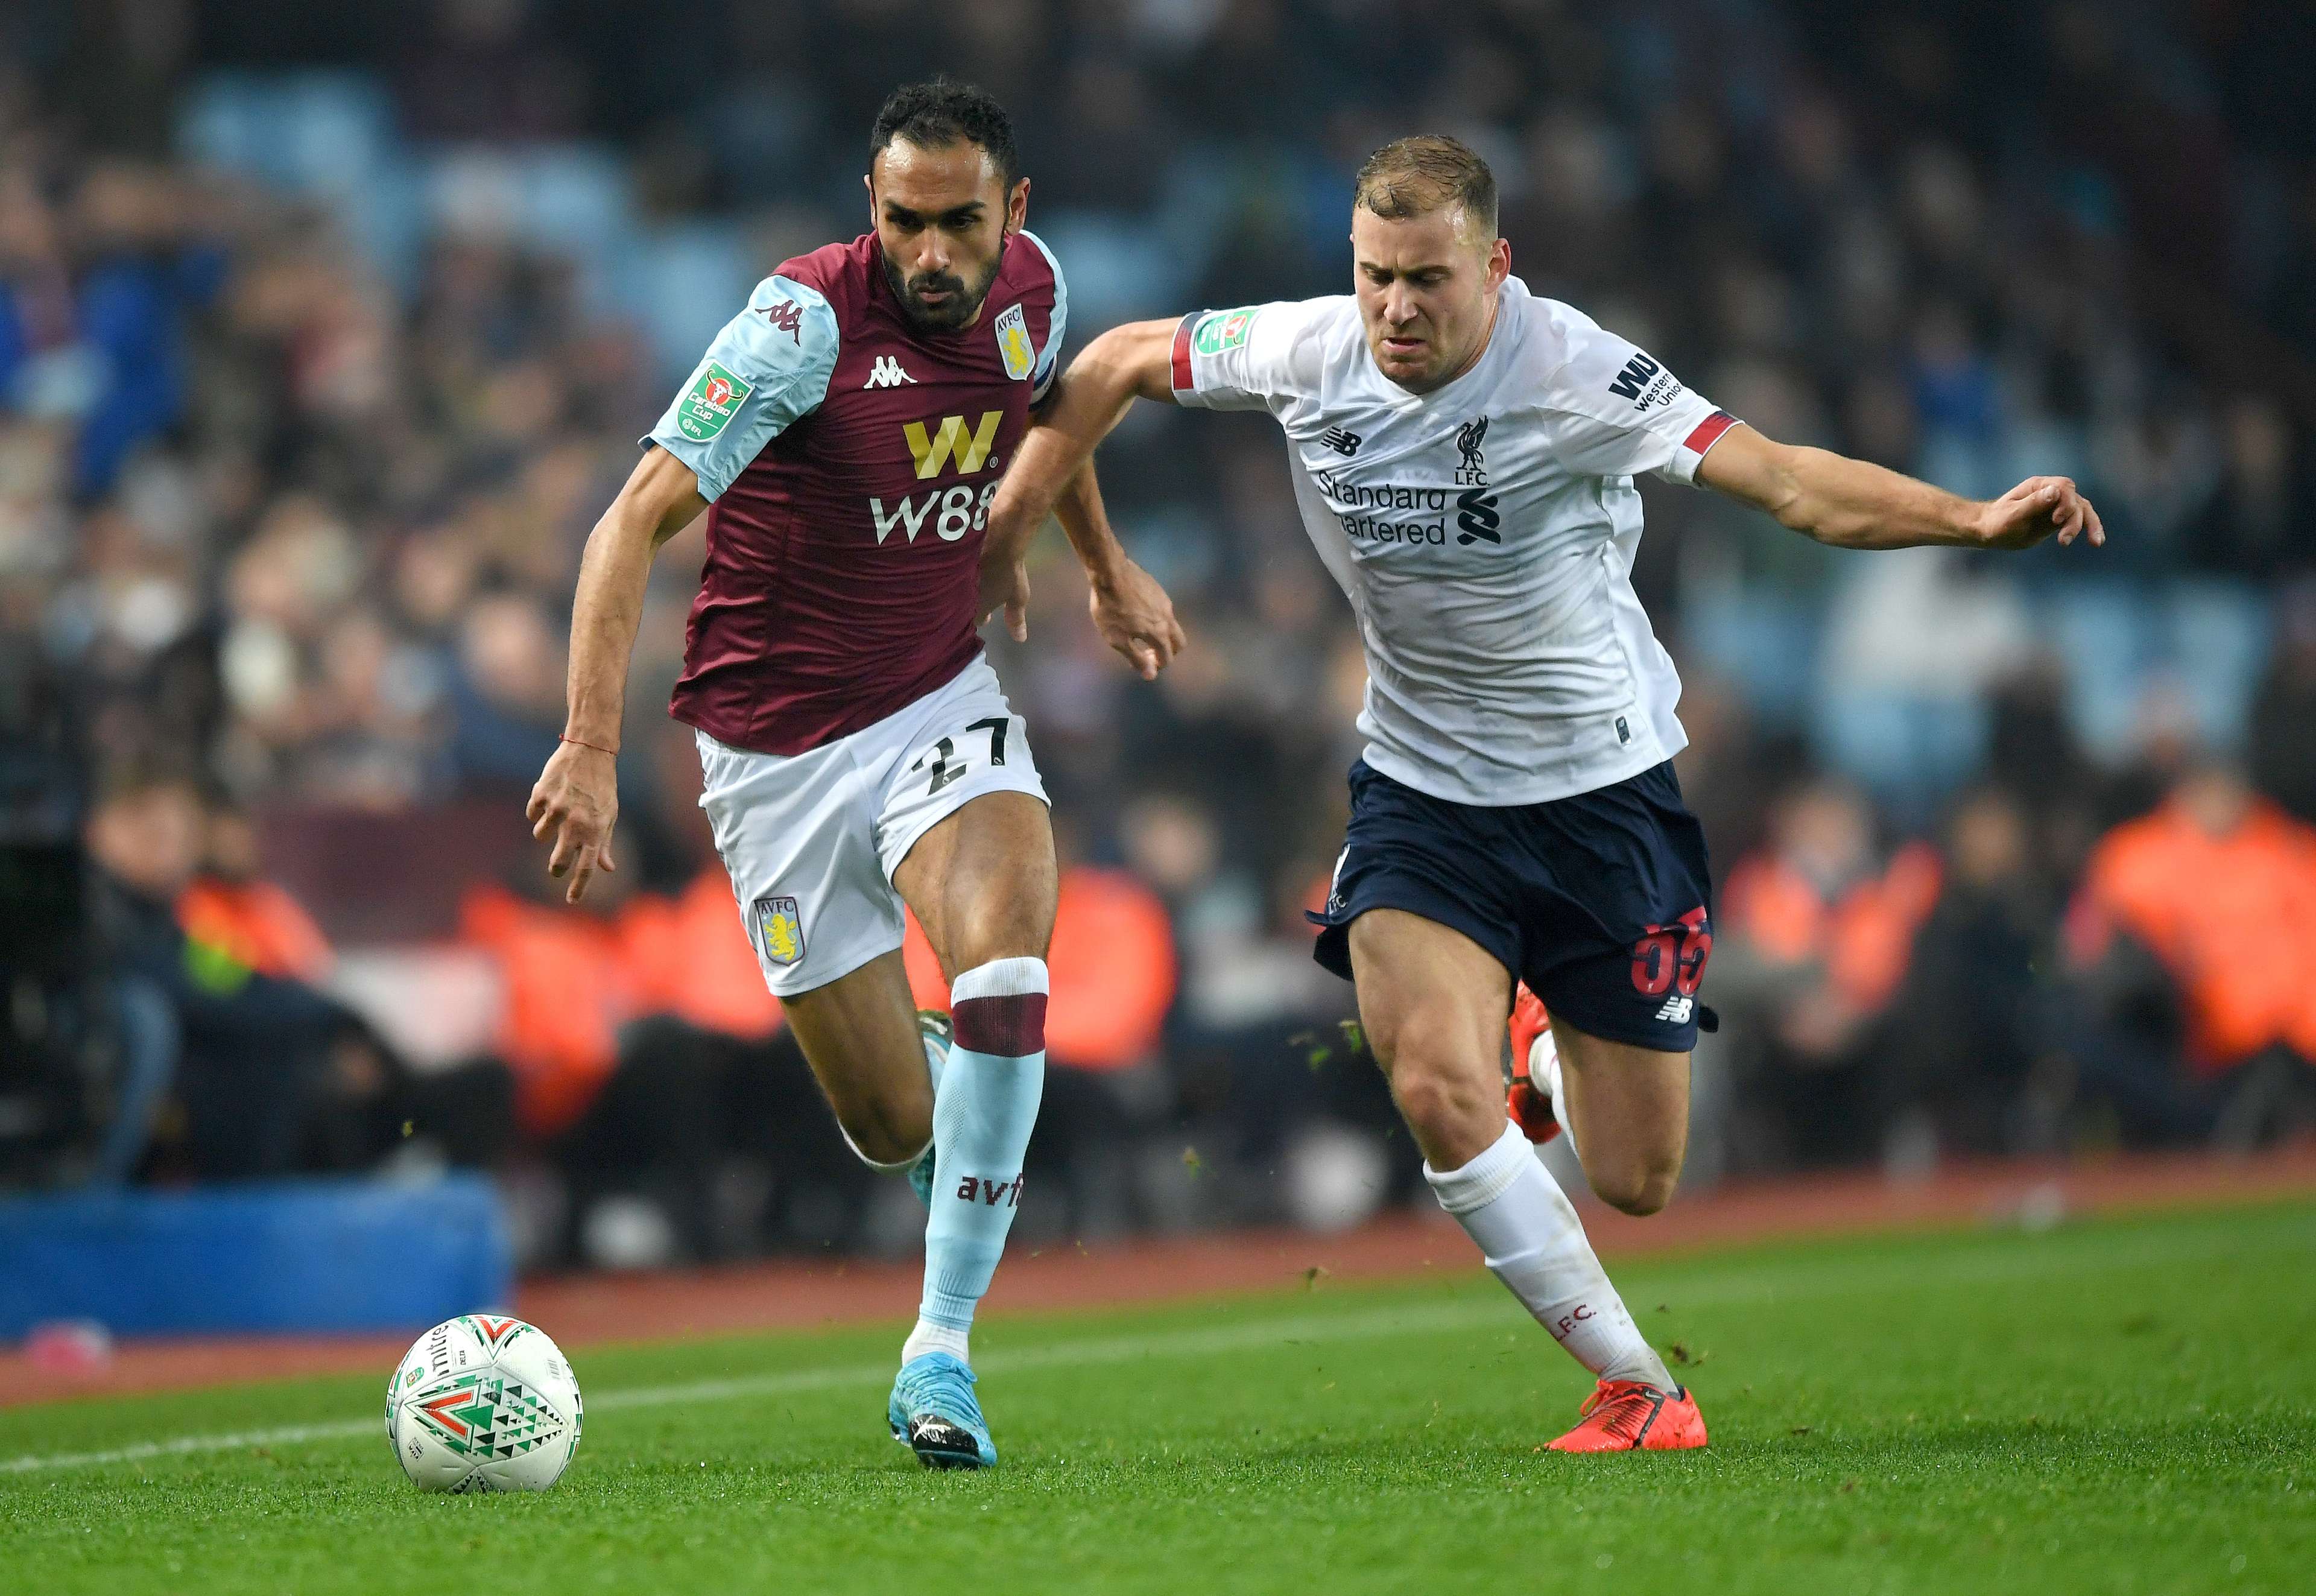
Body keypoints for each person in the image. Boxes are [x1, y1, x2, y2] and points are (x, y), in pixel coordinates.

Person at [985, 134, 2102, 1452]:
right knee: (1431, 1083)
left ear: (1495, 267)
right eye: (1374, 276)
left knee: (1637, 1179)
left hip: (1601, 799)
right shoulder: (1304, 350)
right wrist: (1061, 556)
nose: (1396, 308)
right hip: (1421, 789)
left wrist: (1971, 521)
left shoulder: (1576, 372)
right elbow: (1108, 362)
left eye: (1428, 280)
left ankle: (1545, 1045)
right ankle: (1643, 1387)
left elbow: (1795, 485)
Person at [524, 80, 1181, 1470]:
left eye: (958, 224)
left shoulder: (1039, 293)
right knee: (894, 1128)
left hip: (939, 696)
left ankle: (938, 1353)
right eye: (904, 224)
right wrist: (587, 745)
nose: (930, 254)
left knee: (1008, 967)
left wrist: (1095, 566)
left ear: (1016, 212)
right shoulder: (799, 325)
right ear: (868, 210)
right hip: (768, 755)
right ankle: (945, 1092)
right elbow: (629, 525)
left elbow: (1048, 419)